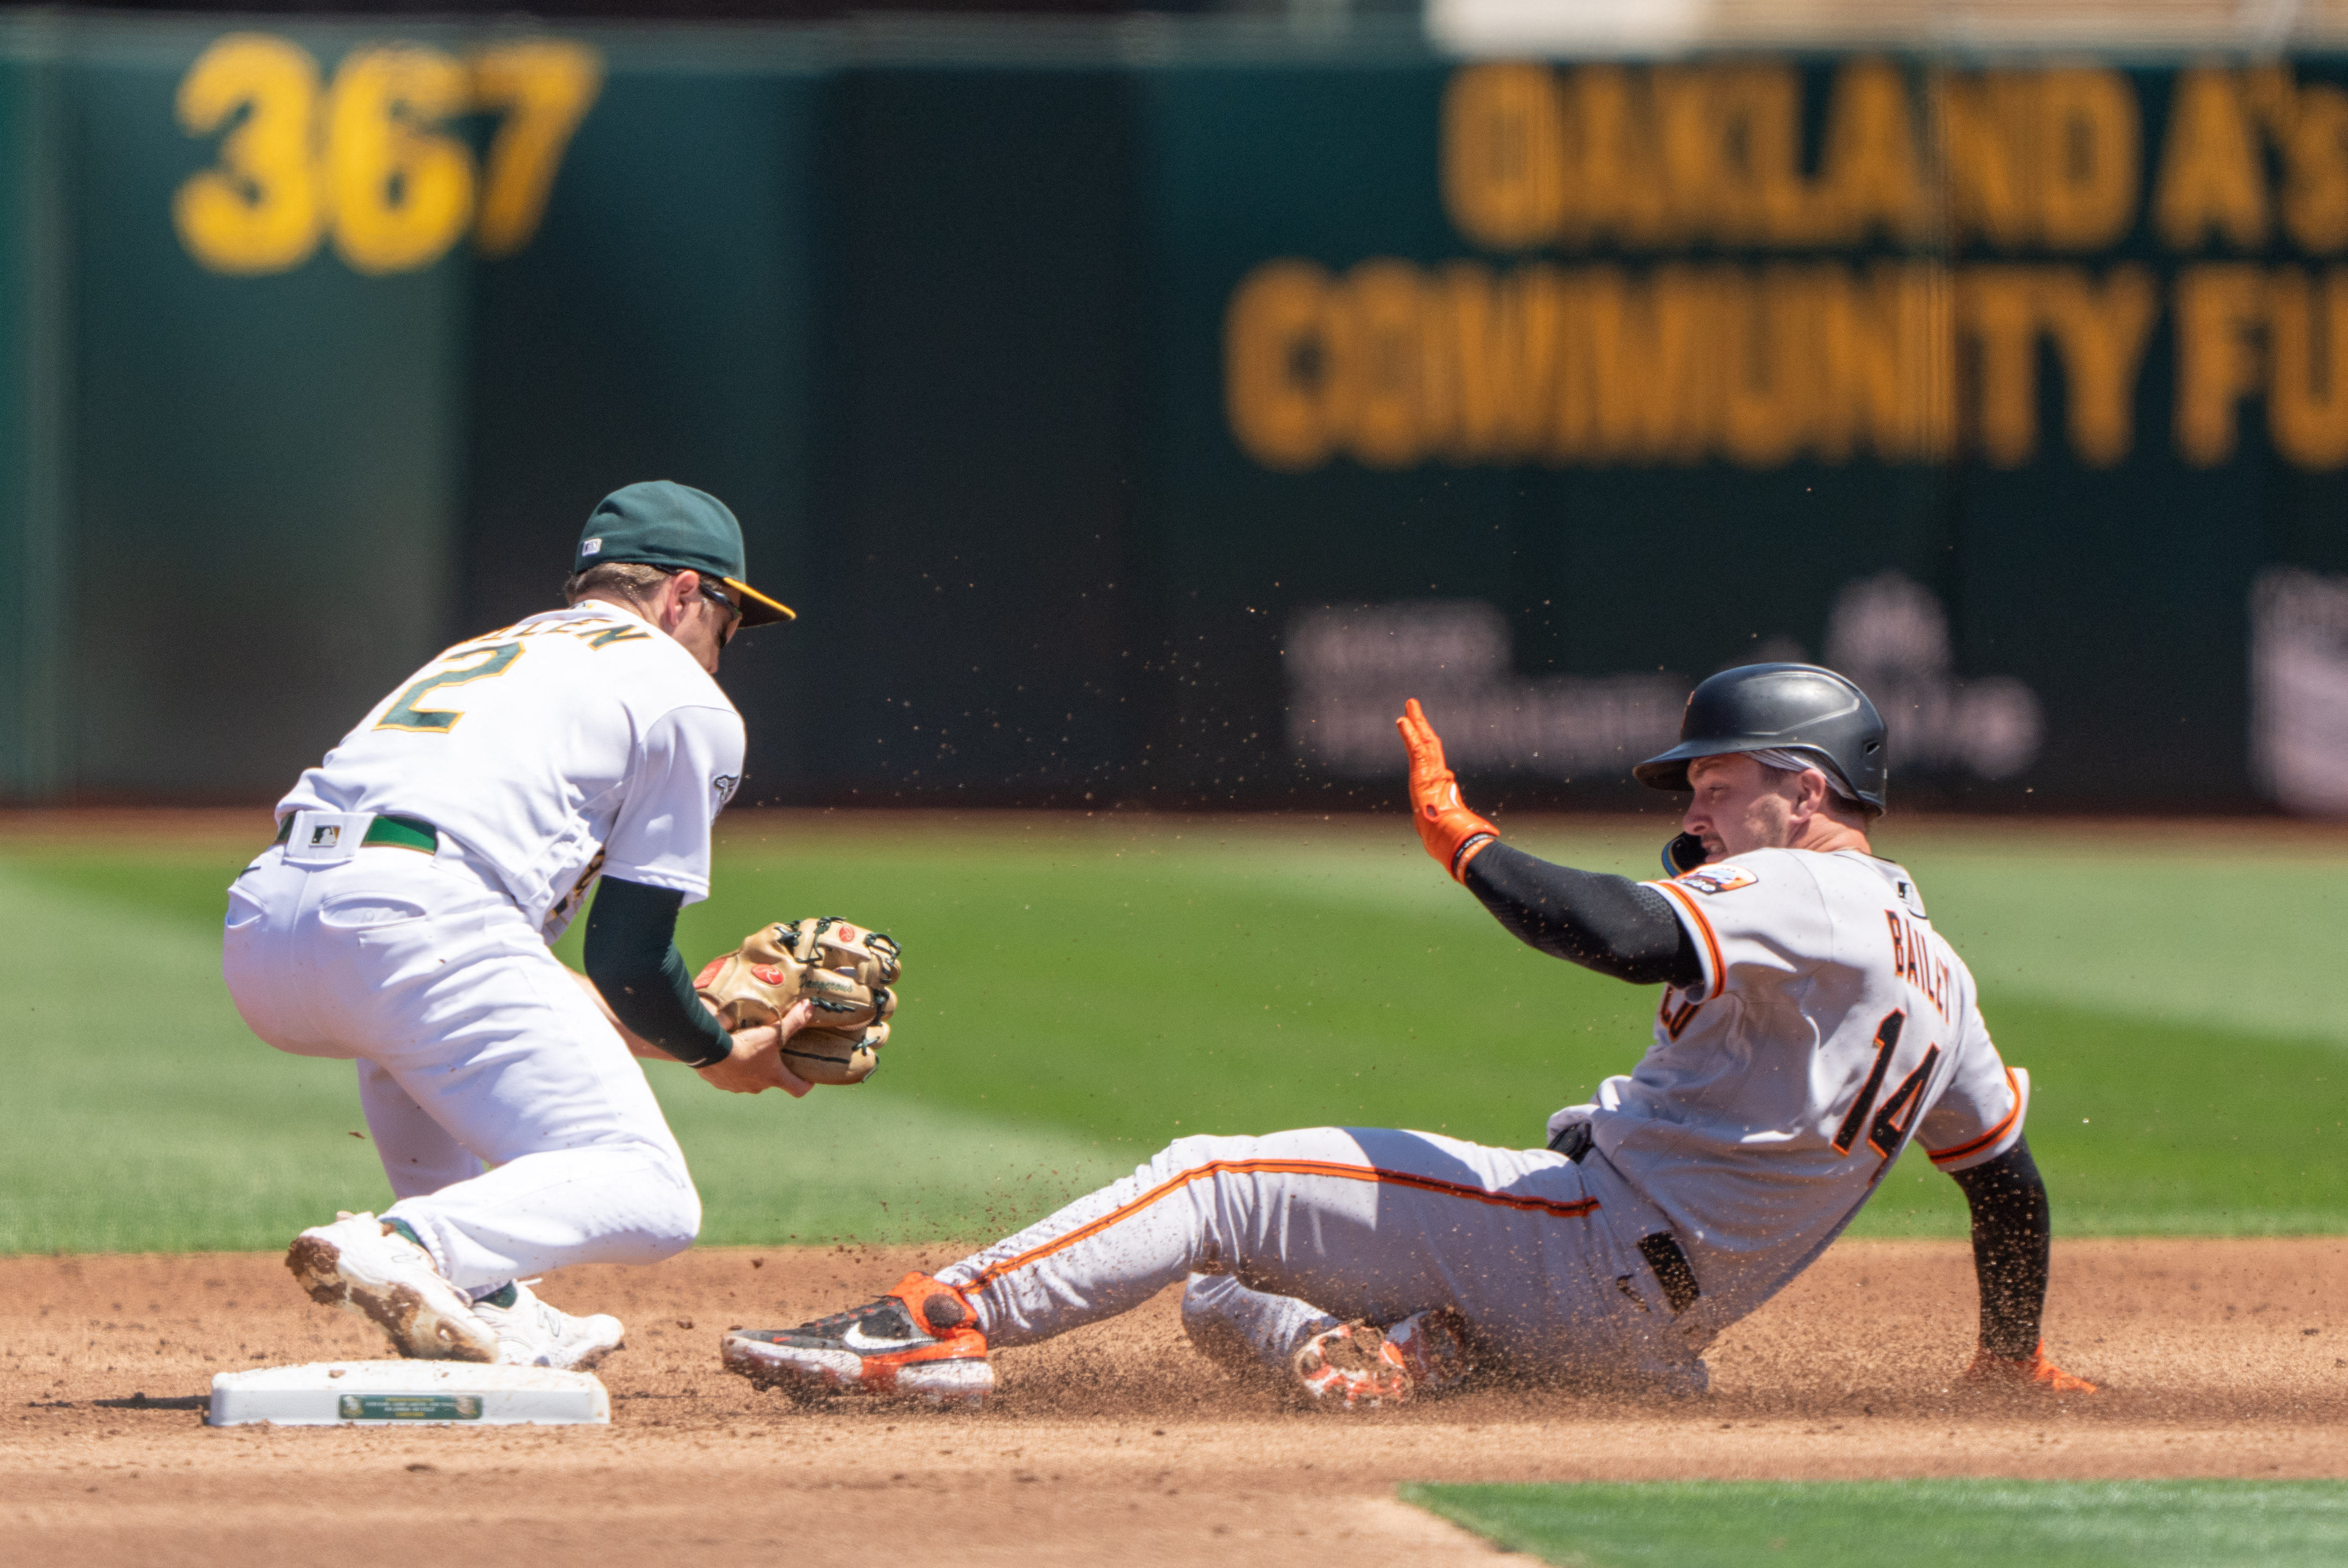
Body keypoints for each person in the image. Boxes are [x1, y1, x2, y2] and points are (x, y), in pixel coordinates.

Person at [717, 662, 2092, 1409]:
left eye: (1719, 783)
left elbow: (1614, 932)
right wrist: (2010, 1356)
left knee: (1214, 1182)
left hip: (1590, 1249)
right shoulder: (1945, 977)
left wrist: (1468, 842)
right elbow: (2008, 1184)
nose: (1698, 810)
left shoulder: (1810, 882)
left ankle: (934, 1325)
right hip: (1650, 1337)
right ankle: (1430, 1349)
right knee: (1218, 1289)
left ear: (1806, 789)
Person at [223, 480, 811, 1370]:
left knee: (413, 1028)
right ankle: (412, 1245)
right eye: (726, 623)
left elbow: (517, 978)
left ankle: (486, 1298)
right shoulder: (683, 697)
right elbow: (627, 957)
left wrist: (687, 1032)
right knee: (653, 1194)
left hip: (268, 923)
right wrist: (716, 1053)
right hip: (416, 917)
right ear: (683, 594)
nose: (720, 655)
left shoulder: (501, 649)